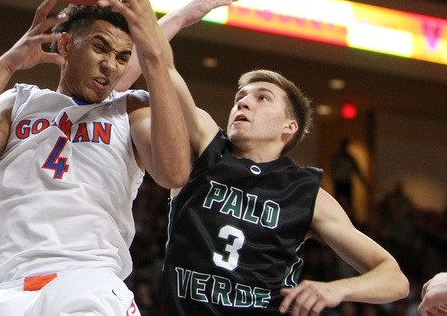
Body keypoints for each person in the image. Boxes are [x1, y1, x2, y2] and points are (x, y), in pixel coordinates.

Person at [0, 0, 205, 315]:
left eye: (123, 57)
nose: (111, 64)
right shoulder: (19, 101)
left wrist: (153, 48)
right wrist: (4, 67)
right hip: (6, 291)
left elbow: (174, 173)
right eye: (100, 47)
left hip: (87, 283)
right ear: (63, 45)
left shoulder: (131, 107)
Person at [155, 68, 409, 315]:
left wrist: (338, 290)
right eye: (239, 98)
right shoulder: (204, 147)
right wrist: (176, 22)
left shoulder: (306, 194)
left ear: (289, 126)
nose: (243, 103)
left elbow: (395, 279)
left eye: (262, 97)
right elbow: (160, 64)